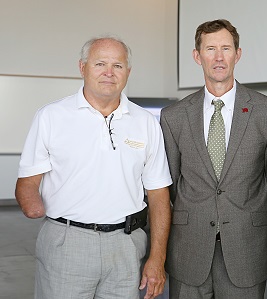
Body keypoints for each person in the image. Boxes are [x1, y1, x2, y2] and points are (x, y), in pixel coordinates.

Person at [15, 36, 173, 299]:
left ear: (128, 72)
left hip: (127, 245)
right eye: (100, 64)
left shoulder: (146, 123)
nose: (109, 73)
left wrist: (157, 258)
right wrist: (30, 200)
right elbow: (28, 181)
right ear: (82, 67)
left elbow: (159, 195)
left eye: (118, 66)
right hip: (66, 243)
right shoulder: (51, 117)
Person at [160, 19, 267, 298]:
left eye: (226, 48)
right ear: (197, 56)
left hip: (247, 249)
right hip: (188, 249)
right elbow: (169, 184)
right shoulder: (173, 117)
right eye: (210, 49)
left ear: (238, 54)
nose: (219, 57)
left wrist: (248, 220)